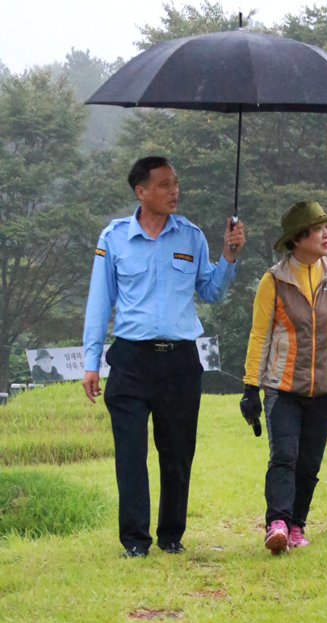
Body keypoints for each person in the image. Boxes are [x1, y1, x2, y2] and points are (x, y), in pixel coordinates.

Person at [82, 155, 245, 558]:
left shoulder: (190, 236)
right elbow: (99, 301)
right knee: (131, 454)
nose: (175, 192)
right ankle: (134, 541)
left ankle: (171, 535)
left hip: (180, 362)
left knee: (177, 452)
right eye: (164, 185)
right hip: (131, 361)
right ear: (141, 192)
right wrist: (90, 361)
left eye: (176, 183)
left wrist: (228, 256)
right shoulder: (114, 238)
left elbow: (211, 292)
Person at [240, 200, 327, 553]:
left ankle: (297, 525)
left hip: (325, 388)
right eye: (318, 229)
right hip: (283, 388)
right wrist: (250, 387)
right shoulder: (273, 280)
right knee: (284, 456)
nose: (326, 234)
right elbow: (259, 336)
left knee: (309, 463)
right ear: (297, 239)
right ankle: (276, 522)